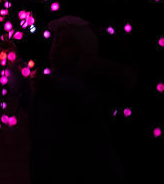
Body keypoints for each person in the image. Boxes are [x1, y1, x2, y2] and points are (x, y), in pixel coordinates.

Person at [28, 15, 125, 184]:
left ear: (84, 51)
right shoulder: (49, 83)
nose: (57, 47)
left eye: (66, 44)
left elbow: (78, 98)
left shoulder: (87, 83)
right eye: (56, 42)